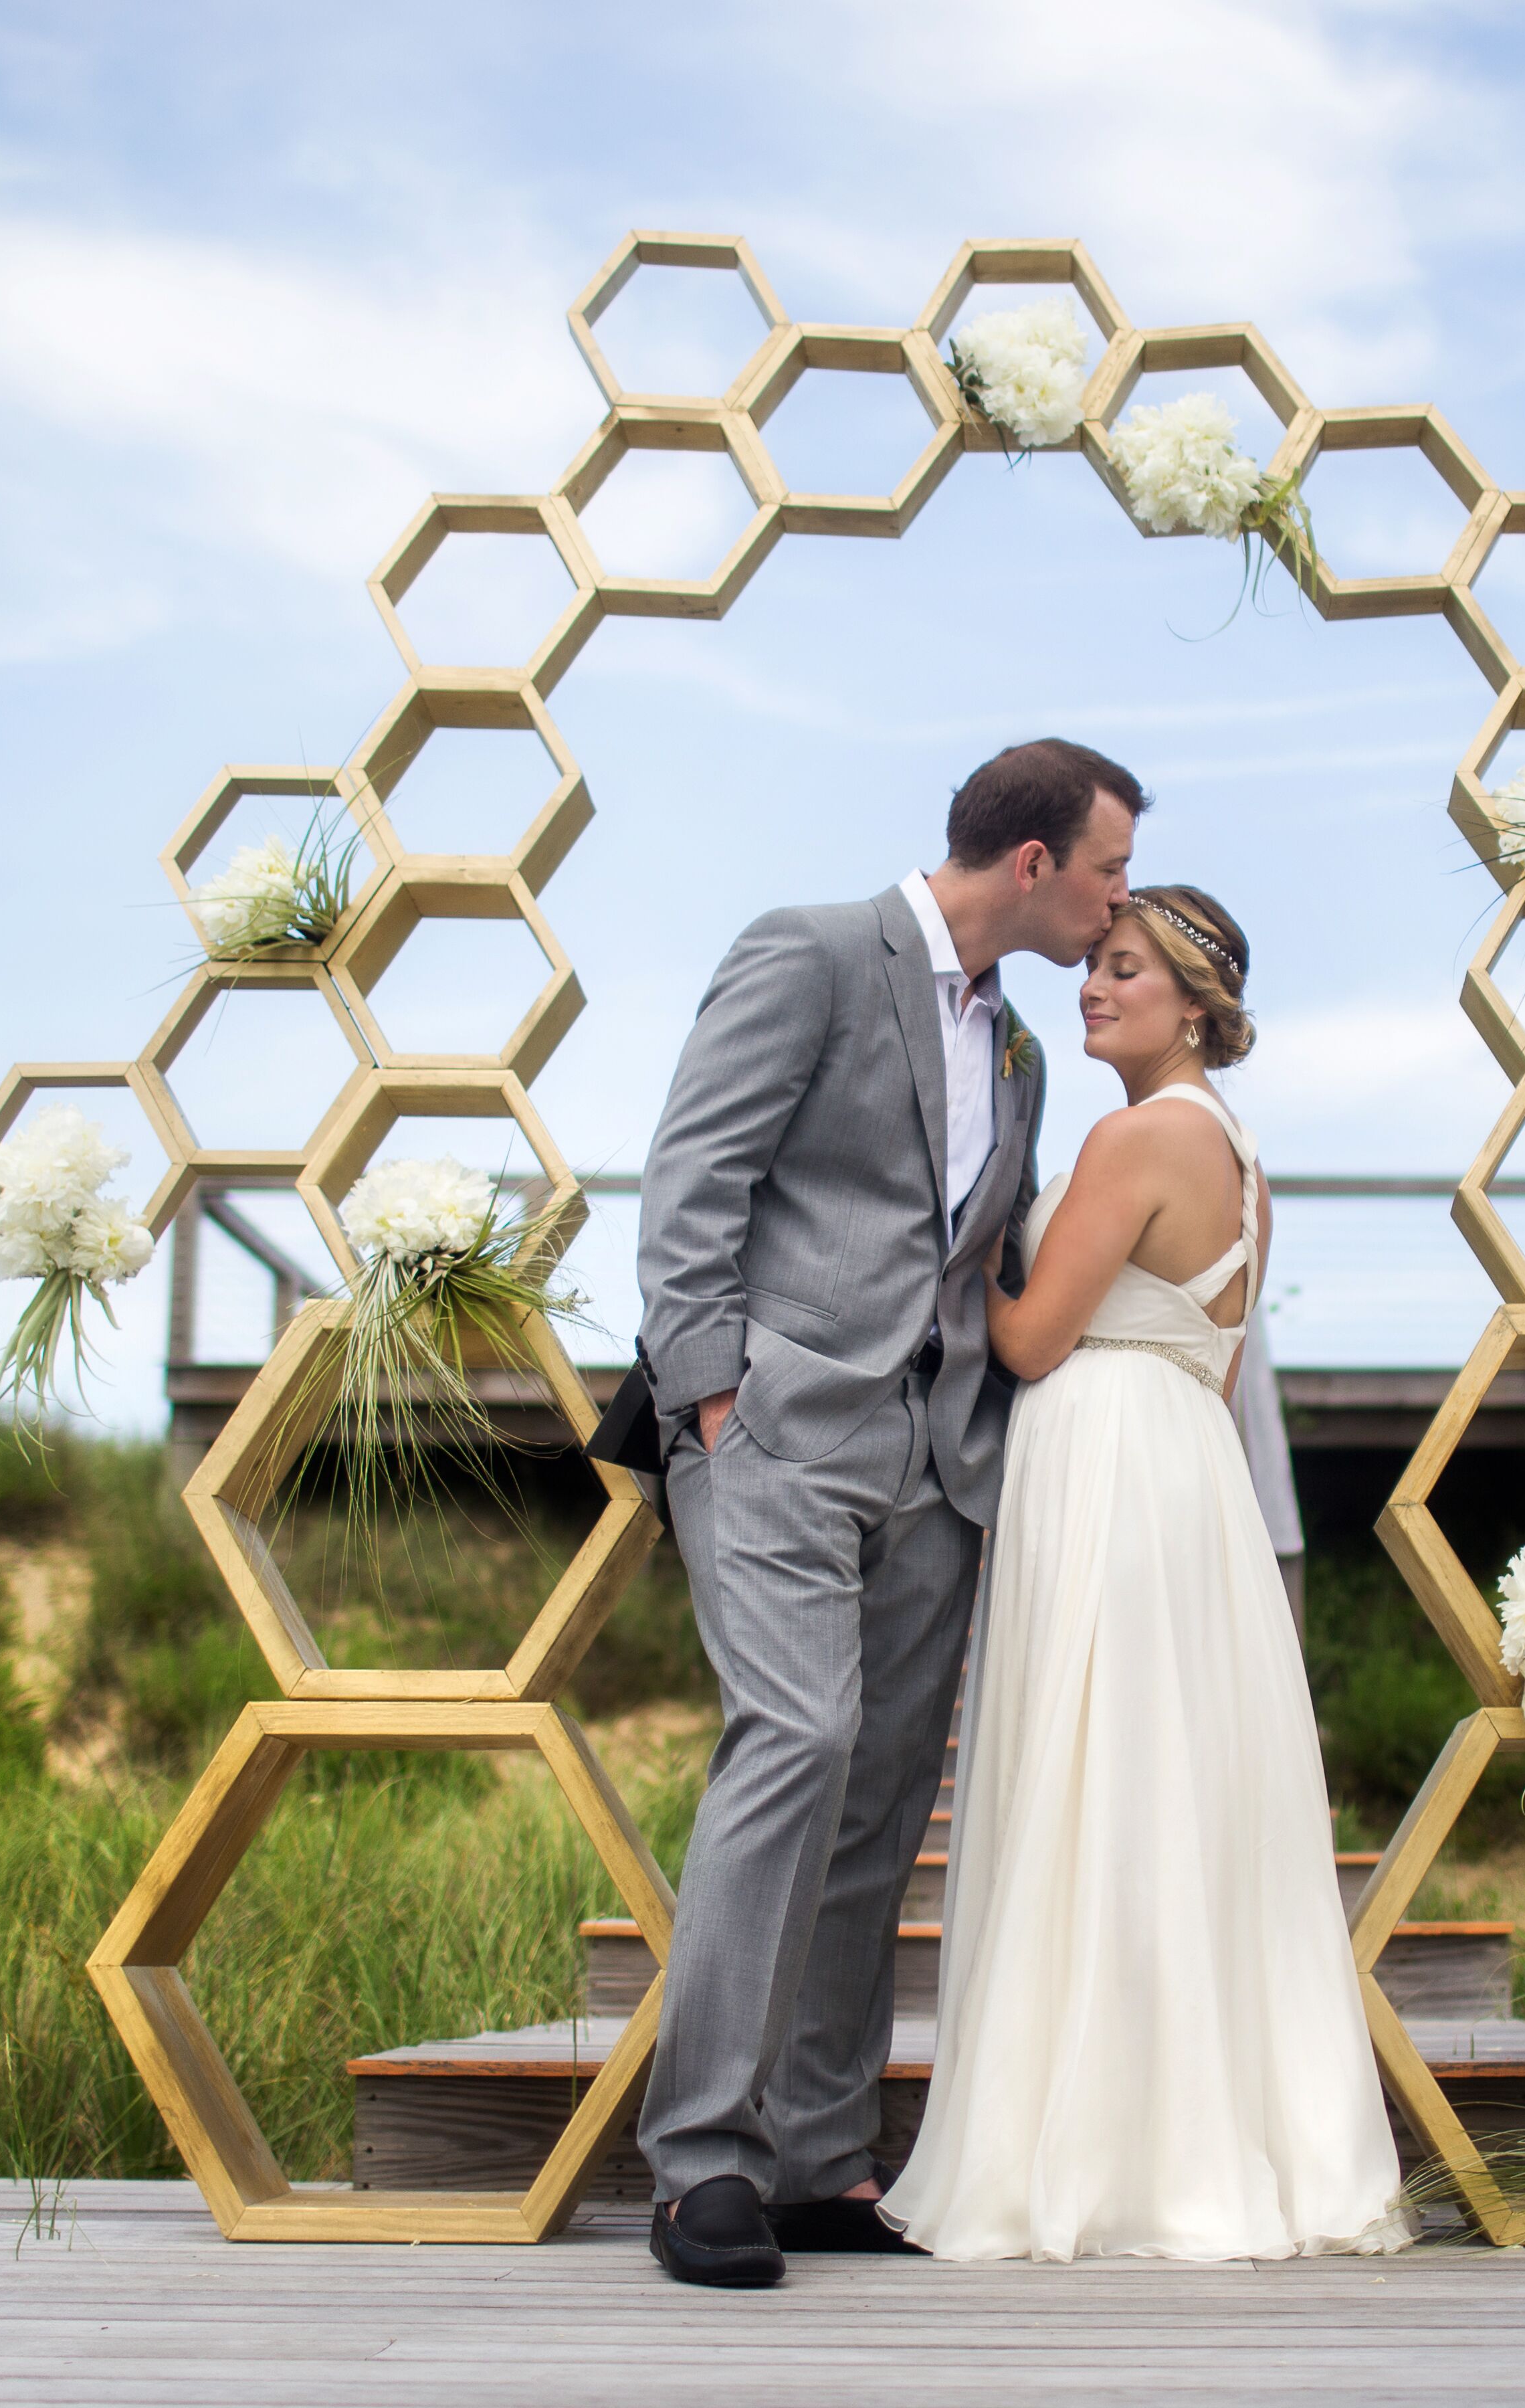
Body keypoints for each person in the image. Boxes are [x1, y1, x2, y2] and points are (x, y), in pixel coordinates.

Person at [630, 737, 1142, 2290]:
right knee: (794, 1740)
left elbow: (978, 1260)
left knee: (877, 1802)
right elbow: (690, 1182)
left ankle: (813, 2160)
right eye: (1108, 869)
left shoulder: (1022, 1059)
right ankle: (700, 2166)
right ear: (1035, 862)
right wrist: (712, 1395)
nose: (1117, 901)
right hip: (775, 1433)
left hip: (935, 1465)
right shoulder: (809, 954)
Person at [880, 886, 1412, 2263]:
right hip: (1188, 1481)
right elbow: (1222, 1369)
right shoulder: (1239, 1158)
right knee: (1173, 1796)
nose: (1092, 989)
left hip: (1102, 1464)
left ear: (1192, 1003)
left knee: (1090, 1784)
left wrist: (958, 1246)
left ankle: (1091, 2154)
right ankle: (1197, 2133)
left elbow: (1033, 1339)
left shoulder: (1130, 1139)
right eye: (1096, 967)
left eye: (1123, 973)